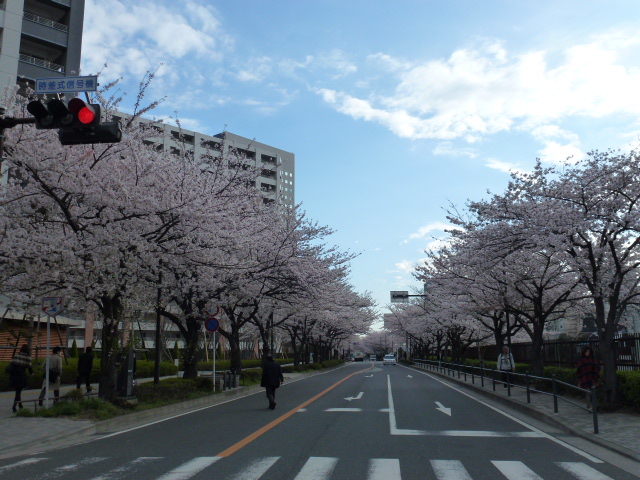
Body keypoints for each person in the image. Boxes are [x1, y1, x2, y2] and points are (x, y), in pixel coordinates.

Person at [8, 344, 33, 412]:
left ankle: (20, 405)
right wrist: (32, 373)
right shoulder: (28, 357)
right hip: (21, 376)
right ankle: (14, 407)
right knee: (18, 392)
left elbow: (12, 364)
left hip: (14, 376)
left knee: (18, 391)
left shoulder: (16, 355)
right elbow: (29, 367)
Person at [576, 346, 600, 411]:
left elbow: (596, 368)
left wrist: (596, 377)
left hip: (592, 378)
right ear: (584, 352)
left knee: (593, 392)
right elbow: (579, 370)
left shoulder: (592, 359)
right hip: (585, 378)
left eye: (589, 352)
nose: (588, 353)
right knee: (588, 393)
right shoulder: (582, 360)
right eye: (587, 352)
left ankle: (594, 406)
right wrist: (581, 379)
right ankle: (589, 407)